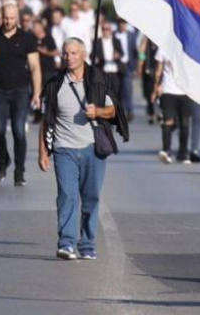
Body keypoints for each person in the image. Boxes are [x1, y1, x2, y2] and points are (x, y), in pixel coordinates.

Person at [38, 38, 127, 261]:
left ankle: (87, 244)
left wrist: (98, 111)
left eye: (74, 53)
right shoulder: (55, 84)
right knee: (67, 195)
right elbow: (46, 121)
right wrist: (43, 152)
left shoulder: (98, 80)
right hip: (64, 148)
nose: (70, 57)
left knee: (91, 197)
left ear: (83, 55)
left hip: (92, 149)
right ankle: (66, 243)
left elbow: (114, 111)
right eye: (66, 54)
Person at [0, 3, 41, 186]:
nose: (8, 21)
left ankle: (19, 171)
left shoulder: (27, 38)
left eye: (12, 18)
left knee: (19, 131)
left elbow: (35, 67)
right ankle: (3, 160)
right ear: (0, 17)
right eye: (5, 17)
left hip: (20, 91)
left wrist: (36, 92)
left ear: (17, 18)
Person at [152, 50, 192, 164]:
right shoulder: (163, 47)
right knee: (168, 121)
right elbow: (158, 70)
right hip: (167, 90)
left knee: (184, 123)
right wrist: (156, 87)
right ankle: (166, 150)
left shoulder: (189, 46)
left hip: (185, 91)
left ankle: (183, 153)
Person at [93, 21, 125, 103]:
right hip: (103, 72)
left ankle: (117, 113)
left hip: (115, 72)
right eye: (103, 29)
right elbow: (92, 55)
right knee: (105, 95)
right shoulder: (97, 42)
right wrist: (96, 59)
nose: (105, 31)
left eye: (107, 29)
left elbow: (122, 53)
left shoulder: (116, 40)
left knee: (117, 94)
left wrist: (118, 55)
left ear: (111, 30)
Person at [115, 19, 138, 121]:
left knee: (127, 89)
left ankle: (129, 110)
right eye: (120, 24)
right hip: (116, 65)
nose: (122, 26)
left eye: (124, 24)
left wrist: (135, 68)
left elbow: (135, 52)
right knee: (117, 89)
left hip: (128, 65)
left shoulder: (131, 35)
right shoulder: (114, 35)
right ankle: (119, 111)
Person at [138, 36, 158, 125]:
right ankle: (151, 113)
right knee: (148, 93)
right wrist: (140, 66)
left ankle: (157, 112)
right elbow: (141, 53)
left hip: (158, 70)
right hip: (148, 71)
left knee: (157, 93)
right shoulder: (146, 40)